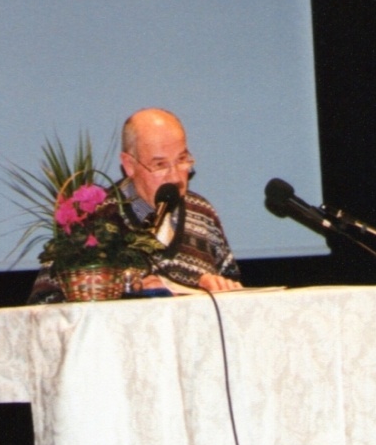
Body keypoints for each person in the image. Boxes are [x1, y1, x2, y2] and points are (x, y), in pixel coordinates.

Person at [28, 108, 242, 303]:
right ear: (129, 165)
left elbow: (237, 296)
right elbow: (44, 303)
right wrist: (126, 292)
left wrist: (219, 289)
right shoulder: (93, 217)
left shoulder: (203, 213)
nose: (176, 176)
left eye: (182, 160)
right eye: (160, 165)